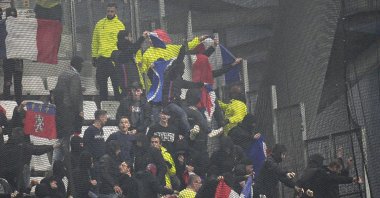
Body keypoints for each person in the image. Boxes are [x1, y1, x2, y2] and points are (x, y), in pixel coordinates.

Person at [0, 127, 57, 193]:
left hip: (5, 175)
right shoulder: (23, 146)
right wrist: (52, 147)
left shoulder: (5, 146)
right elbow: (37, 150)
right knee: (21, 191)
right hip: (19, 174)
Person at [92, 3, 125, 101]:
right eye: (108, 11)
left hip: (114, 59)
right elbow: (95, 41)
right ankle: (103, 108)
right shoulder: (100, 24)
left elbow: (122, 43)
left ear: (116, 12)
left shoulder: (119, 25)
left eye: (112, 11)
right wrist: (94, 56)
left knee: (117, 85)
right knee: (102, 85)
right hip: (102, 59)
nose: (110, 13)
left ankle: (119, 107)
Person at [53, 55, 84, 162]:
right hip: (69, 112)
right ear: (79, 64)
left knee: (60, 140)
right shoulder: (75, 75)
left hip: (59, 111)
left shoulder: (63, 74)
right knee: (66, 141)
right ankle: (66, 165)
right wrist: (78, 111)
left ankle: (56, 165)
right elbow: (74, 95)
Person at [111, 31, 147, 96]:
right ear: (125, 38)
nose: (132, 39)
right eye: (130, 36)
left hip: (135, 86)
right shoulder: (117, 54)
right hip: (126, 89)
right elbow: (131, 50)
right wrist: (142, 38)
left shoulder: (130, 54)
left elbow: (132, 49)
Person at [2, 8, 23, 105]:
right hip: (8, 59)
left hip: (18, 59)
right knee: (7, 82)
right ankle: (6, 106)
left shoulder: (20, 26)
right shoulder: (2, 25)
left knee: (18, 84)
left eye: (14, 17)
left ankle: (18, 106)